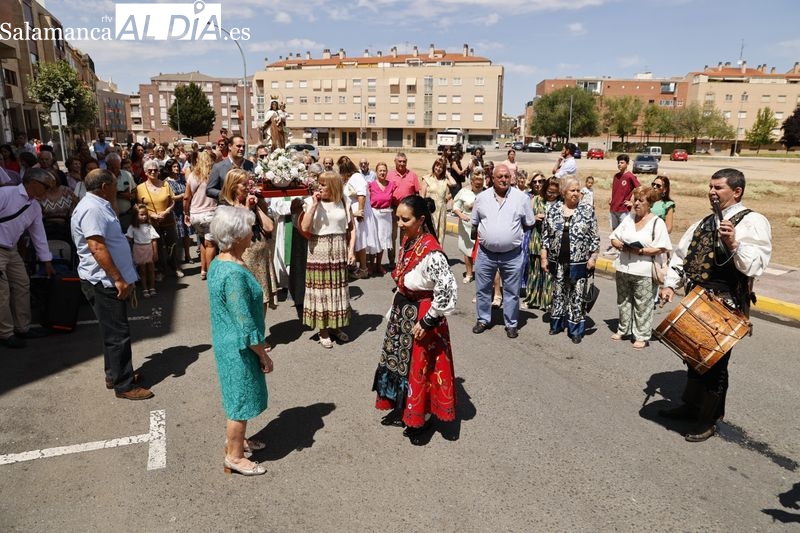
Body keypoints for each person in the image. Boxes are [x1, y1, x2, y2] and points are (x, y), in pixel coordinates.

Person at [658, 168, 772, 442]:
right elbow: (682, 256)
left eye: (718, 187)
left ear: (736, 192)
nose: (712, 192)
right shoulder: (702, 222)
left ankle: (707, 421)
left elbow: (755, 265)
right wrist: (670, 284)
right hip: (696, 299)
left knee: (715, 365)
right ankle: (691, 406)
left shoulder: (753, 221)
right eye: (710, 186)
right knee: (693, 356)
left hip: (726, 305)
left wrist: (733, 243)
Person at [372, 195, 457, 445]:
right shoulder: (410, 241)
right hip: (405, 311)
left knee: (423, 366)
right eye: (397, 218)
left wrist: (429, 320)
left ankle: (423, 414)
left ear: (421, 219)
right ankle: (403, 404)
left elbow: (447, 287)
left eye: (405, 219)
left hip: (422, 315)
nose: (399, 223)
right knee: (402, 362)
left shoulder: (432, 251)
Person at [71, 169, 153, 399]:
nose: (117, 189)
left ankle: (115, 373)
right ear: (104, 186)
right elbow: (96, 247)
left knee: (112, 331)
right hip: (104, 281)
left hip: (105, 279)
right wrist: (118, 278)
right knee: (118, 334)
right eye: (114, 185)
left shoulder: (100, 204)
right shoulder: (92, 208)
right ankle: (124, 385)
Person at [207, 205, 274, 476]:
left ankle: (238, 442)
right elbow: (245, 325)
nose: (251, 233)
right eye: (247, 229)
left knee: (238, 395)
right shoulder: (233, 274)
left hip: (227, 341)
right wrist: (263, 354)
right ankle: (234, 456)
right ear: (236, 236)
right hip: (238, 347)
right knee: (240, 400)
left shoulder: (222, 261)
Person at [470, 164, 535, 338]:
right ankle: (483, 319)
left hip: (512, 254)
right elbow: (475, 222)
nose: (504, 179)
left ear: (511, 177)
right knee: (483, 289)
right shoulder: (482, 198)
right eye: (500, 176)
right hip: (486, 253)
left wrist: (510, 235)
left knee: (512, 291)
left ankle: (511, 323)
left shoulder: (521, 198)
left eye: (507, 176)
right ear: (492, 177)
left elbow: (529, 222)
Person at [608, 186, 672, 349]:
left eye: (640, 200)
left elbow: (662, 247)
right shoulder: (629, 218)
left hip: (644, 270)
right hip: (623, 267)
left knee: (643, 304)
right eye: (635, 199)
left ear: (649, 203)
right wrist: (620, 245)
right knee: (623, 301)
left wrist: (641, 250)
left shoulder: (657, 222)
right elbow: (614, 237)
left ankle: (641, 335)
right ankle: (624, 329)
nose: (636, 203)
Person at [540, 177, 600, 344]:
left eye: (578, 190)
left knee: (577, 296)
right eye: (572, 190)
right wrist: (544, 257)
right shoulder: (553, 210)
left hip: (579, 262)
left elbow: (595, 238)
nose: (576, 193)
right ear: (563, 192)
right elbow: (545, 236)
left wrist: (593, 257)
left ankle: (575, 330)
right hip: (557, 261)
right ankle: (557, 324)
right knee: (558, 293)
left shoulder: (587, 211)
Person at [0, 170, 55, 349]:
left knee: (22, 284)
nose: (48, 191)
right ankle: (6, 333)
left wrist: (46, 261)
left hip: (12, 249)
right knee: (2, 292)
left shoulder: (35, 206)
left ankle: (22, 327)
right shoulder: (7, 194)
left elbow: (38, 234)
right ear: (33, 182)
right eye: (46, 186)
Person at [299, 171, 352, 349]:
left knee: (336, 288)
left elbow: (350, 229)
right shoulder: (310, 202)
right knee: (321, 290)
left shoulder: (344, 201)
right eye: (319, 183)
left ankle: (335, 326)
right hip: (318, 247)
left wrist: (351, 251)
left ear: (334, 186)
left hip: (338, 247)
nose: (320, 186)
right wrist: (314, 204)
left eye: (324, 184)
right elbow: (305, 227)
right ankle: (323, 330)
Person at [221, 169, 278, 312]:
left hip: (261, 256)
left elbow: (269, 227)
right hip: (243, 258)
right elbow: (240, 232)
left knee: (262, 297)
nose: (248, 188)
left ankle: (260, 333)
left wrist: (257, 208)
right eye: (244, 185)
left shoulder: (253, 203)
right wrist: (246, 208)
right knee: (245, 300)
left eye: (248, 184)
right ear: (233, 186)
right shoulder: (227, 207)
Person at [136, 159, 182, 279]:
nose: (153, 172)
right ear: (145, 172)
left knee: (172, 244)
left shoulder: (165, 184)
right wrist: (151, 215)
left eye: (155, 170)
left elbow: (172, 201)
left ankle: (176, 267)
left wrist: (166, 211)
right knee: (157, 247)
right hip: (152, 222)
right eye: (150, 170)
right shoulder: (140, 188)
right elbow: (139, 206)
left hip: (168, 219)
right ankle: (161, 270)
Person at [340, 155, 379, 279]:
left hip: (359, 214)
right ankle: (355, 266)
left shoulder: (357, 177)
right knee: (355, 241)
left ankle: (363, 269)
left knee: (360, 240)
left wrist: (360, 211)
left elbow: (362, 195)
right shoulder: (351, 179)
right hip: (353, 212)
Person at [184, 149, 218, 280]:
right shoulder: (214, 175)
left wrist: (186, 212)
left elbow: (187, 197)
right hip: (210, 214)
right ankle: (211, 274)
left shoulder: (193, 175)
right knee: (211, 244)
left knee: (204, 242)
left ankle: (203, 269)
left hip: (195, 215)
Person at [523, 173, 552, 311]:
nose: (538, 184)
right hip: (535, 238)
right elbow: (524, 220)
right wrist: (534, 217)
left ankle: (546, 302)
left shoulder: (552, 198)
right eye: (535, 182)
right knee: (534, 271)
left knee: (547, 272)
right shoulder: (532, 199)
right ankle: (532, 299)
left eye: (541, 181)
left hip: (549, 240)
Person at [452, 169, 485, 283]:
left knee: (482, 251)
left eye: (481, 182)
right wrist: (461, 215)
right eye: (476, 182)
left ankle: (482, 274)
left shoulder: (486, 193)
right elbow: (455, 207)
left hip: (482, 225)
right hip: (467, 224)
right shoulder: (463, 192)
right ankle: (469, 273)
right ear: (471, 181)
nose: (479, 184)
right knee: (468, 250)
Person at [388, 152, 420, 265]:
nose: (402, 163)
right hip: (393, 210)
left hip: (407, 212)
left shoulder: (412, 175)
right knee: (392, 236)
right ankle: (391, 261)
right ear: (395, 162)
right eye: (400, 161)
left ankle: (402, 259)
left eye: (404, 161)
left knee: (405, 237)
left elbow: (417, 193)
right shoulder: (389, 175)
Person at [605, 154, 640, 254]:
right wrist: (612, 198)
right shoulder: (616, 176)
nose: (619, 164)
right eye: (618, 163)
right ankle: (614, 248)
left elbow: (639, 189)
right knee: (614, 229)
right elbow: (615, 190)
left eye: (622, 162)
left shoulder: (630, 176)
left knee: (624, 229)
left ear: (627, 164)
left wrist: (632, 202)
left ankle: (623, 249)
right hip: (613, 208)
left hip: (623, 209)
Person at [205, 135, 255, 201]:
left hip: (248, 207)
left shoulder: (250, 165)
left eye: (243, 146)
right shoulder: (218, 167)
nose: (242, 149)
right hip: (227, 208)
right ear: (230, 146)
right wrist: (226, 195)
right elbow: (209, 190)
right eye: (238, 146)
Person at [367, 162, 396, 275]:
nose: (382, 173)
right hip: (374, 214)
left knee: (383, 241)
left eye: (384, 170)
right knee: (373, 240)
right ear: (376, 172)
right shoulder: (371, 185)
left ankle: (379, 265)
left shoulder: (391, 185)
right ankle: (370, 266)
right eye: (380, 170)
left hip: (386, 215)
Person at [126, 204, 160, 298]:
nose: (144, 216)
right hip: (138, 249)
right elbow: (128, 237)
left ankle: (152, 287)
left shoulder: (149, 226)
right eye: (141, 214)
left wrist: (155, 252)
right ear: (135, 215)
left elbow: (154, 240)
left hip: (149, 248)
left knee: (151, 269)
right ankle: (145, 288)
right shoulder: (132, 227)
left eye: (145, 214)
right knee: (142, 270)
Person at [164, 158, 193, 266]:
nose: (176, 168)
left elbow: (188, 190)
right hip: (174, 211)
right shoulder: (166, 182)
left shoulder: (182, 179)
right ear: (169, 168)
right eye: (174, 167)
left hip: (184, 209)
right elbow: (169, 197)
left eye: (177, 166)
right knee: (175, 236)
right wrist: (180, 196)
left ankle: (187, 255)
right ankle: (174, 260)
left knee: (186, 234)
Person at [420, 157, 456, 244]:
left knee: (440, 236)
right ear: (434, 166)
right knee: (430, 234)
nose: (438, 168)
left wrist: (448, 174)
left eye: (441, 167)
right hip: (430, 211)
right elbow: (422, 195)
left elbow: (454, 183)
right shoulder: (427, 178)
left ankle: (438, 254)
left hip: (441, 212)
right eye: (437, 166)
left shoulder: (445, 180)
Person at [106, 152, 136, 233]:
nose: (115, 170)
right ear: (107, 165)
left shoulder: (127, 175)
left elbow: (134, 194)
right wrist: (122, 194)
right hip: (109, 217)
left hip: (126, 216)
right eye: (112, 167)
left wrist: (121, 194)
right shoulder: (103, 177)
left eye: (117, 166)